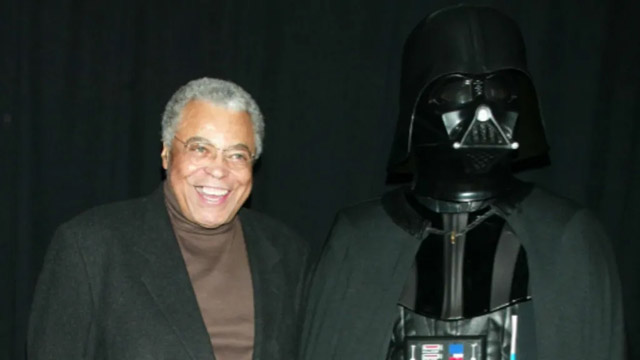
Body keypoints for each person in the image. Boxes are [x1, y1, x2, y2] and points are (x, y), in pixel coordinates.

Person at [300, 5, 625, 360]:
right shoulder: (361, 239)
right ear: (416, 107)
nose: (483, 111)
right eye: (456, 92)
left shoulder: (565, 235)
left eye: (499, 90)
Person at [28, 77, 309, 360]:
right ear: (166, 153)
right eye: (200, 148)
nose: (218, 170)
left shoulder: (288, 253)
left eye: (237, 155)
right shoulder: (90, 247)